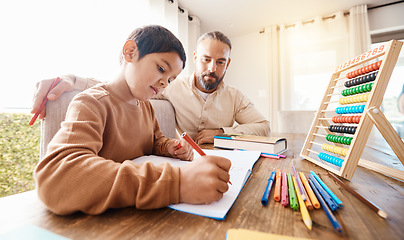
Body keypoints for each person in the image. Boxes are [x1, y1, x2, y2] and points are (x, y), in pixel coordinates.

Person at [34, 25, 231, 215]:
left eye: (171, 79)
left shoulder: (146, 106)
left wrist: (170, 146)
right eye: (161, 69)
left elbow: (154, 141)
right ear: (129, 52)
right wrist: (176, 183)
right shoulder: (91, 103)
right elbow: (59, 177)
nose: (164, 83)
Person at [31, 31, 270, 145]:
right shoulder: (170, 85)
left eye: (220, 62)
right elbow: (122, 84)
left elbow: (264, 127)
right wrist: (73, 80)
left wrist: (223, 132)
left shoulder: (235, 96)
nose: (212, 68)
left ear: (227, 64)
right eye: (206, 59)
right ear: (196, 58)